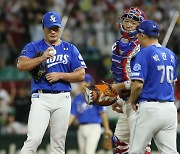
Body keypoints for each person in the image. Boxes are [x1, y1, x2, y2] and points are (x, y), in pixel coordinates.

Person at [17, 11, 86, 154]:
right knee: (34, 139)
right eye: (50, 28)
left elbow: (81, 74)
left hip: (63, 97)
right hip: (41, 97)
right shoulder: (34, 47)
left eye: (56, 28)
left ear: (60, 28)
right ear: (43, 28)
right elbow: (21, 65)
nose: (53, 32)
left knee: (59, 143)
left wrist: (60, 75)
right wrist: (42, 58)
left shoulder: (70, 48)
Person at [129, 20, 178, 154]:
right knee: (170, 152)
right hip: (169, 108)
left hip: (150, 108)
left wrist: (132, 100)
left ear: (143, 35)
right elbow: (172, 83)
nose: (137, 38)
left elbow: (138, 85)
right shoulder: (171, 55)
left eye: (138, 35)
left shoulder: (143, 54)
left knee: (135, 151)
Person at [108, 7, 151, 154]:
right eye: (126, 21)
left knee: (140, 147)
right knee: (118, 144)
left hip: (140, 101)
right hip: (126, 100)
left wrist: (117, 87)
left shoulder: (143, 47)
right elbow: (118, 74)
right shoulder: (116, 45)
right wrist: (117, 98)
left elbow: (141, 80)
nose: (128, 25)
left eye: (133, 22)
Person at [69, 73, 112, 154]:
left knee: (89, 152)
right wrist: (64, 129)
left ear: (88, 83)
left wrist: (107, 128)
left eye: (82, 82)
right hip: (81, 128)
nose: (80, 84)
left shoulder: (96, 96)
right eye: (80, 82)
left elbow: (103, 112)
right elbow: (72, 115)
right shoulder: (77, 98)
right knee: (82, 152)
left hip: (94, 127)